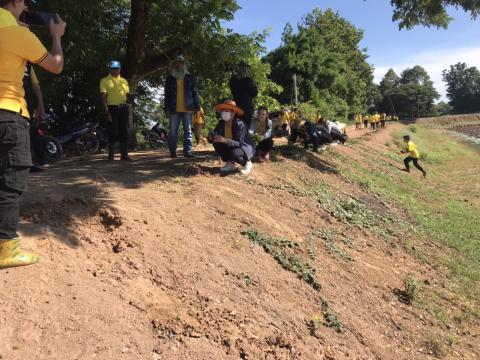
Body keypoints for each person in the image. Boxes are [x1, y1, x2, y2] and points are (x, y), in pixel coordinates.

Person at [0, 0, 66, 269]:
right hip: (8, 114)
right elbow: (55, 65)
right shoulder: (19, 35)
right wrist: (56, 36)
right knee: (10, 181)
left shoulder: (14, 29)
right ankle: (5, 249)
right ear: (16, 2)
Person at [164, 55, 199, 158]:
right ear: (174, 64)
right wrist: (166, 108)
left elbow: (194, 93)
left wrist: (196, 107)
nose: (178, 64)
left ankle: (187, 151)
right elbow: (167, 94)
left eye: (180, 62)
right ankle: (173, 152)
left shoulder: (190, 77)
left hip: (187, 109)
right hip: (173, 108)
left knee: (188, 131)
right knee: (172, 132)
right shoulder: (170, 78)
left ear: (184, 64)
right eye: (177, 62)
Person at [209, 100, 254, 175]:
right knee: (217, 144)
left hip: (243, 147)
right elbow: (216, 133)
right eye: (223, 110)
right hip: (229, 144)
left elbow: (239, 143)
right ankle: (230, 163)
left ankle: (247, 163)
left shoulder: (240, 124)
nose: (224, 112)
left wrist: (225, 140)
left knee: (234, 153)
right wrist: (211, 137)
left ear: (233, 112)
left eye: (226, 111)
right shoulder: (221, 123)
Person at [100, 61, 132, 161]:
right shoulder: (104, 80)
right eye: (113, 68)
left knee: (124, 131)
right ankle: (111, 155)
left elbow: (127, 96)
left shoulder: (124, 81)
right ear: (110, 69)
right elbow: (103, 97)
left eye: (117, 68)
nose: (116, 70)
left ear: (120, 69)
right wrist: (106, 111)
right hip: (112, 108)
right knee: (112, 131)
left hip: (123, 108)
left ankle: (124, 155)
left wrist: (130, 102)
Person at [23, 62, 47, 171]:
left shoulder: (28, 65)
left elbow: (35, 85)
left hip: (27, 105)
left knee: (32, 132)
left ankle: (38, 161)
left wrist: (40, 106)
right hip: (10, 104)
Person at [229, 61, 258, 127]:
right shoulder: (247, 80)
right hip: (246, 108)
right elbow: (254, 93)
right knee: (245, 127)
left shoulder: (233, 80)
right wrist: (256, 88)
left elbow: (232, 91)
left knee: (236, 126)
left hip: (236, 106)